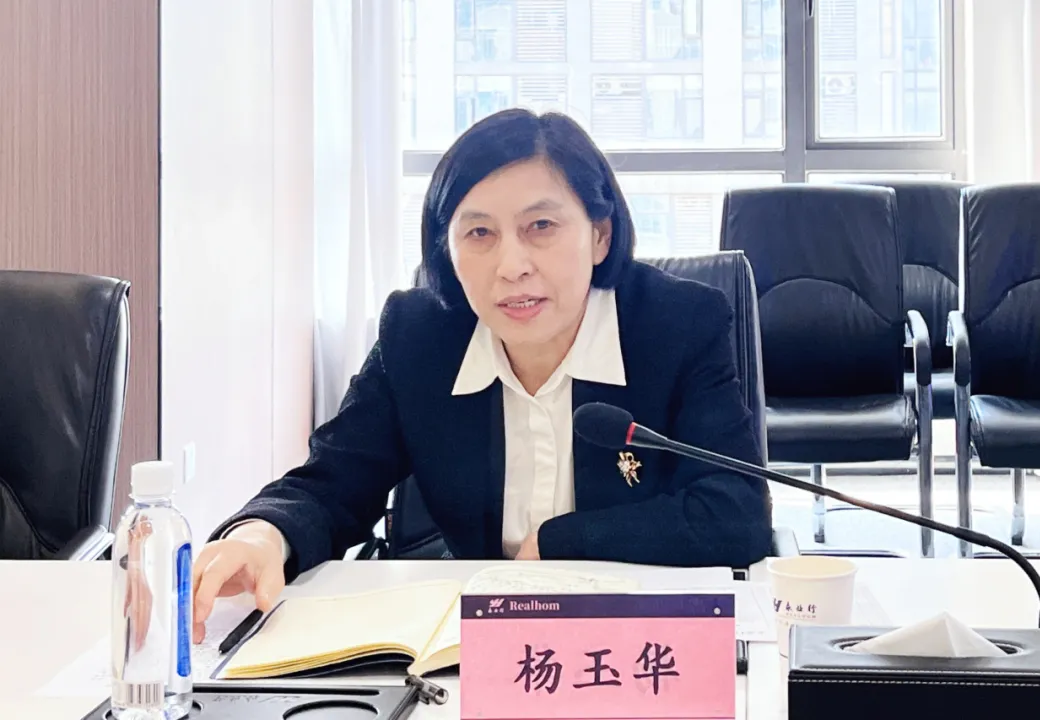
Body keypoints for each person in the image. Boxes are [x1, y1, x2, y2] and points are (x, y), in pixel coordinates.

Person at [190, 108, 773, 643]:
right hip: (481, 650)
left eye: (540, 225)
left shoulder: (678, 324)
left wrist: (562, 542)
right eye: (479, 234)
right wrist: (263, 535)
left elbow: (735, 512)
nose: (511, 266)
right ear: (447, 249)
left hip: (640, 639)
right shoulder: (419, 336)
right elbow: (333, 482)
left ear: (600, 234)